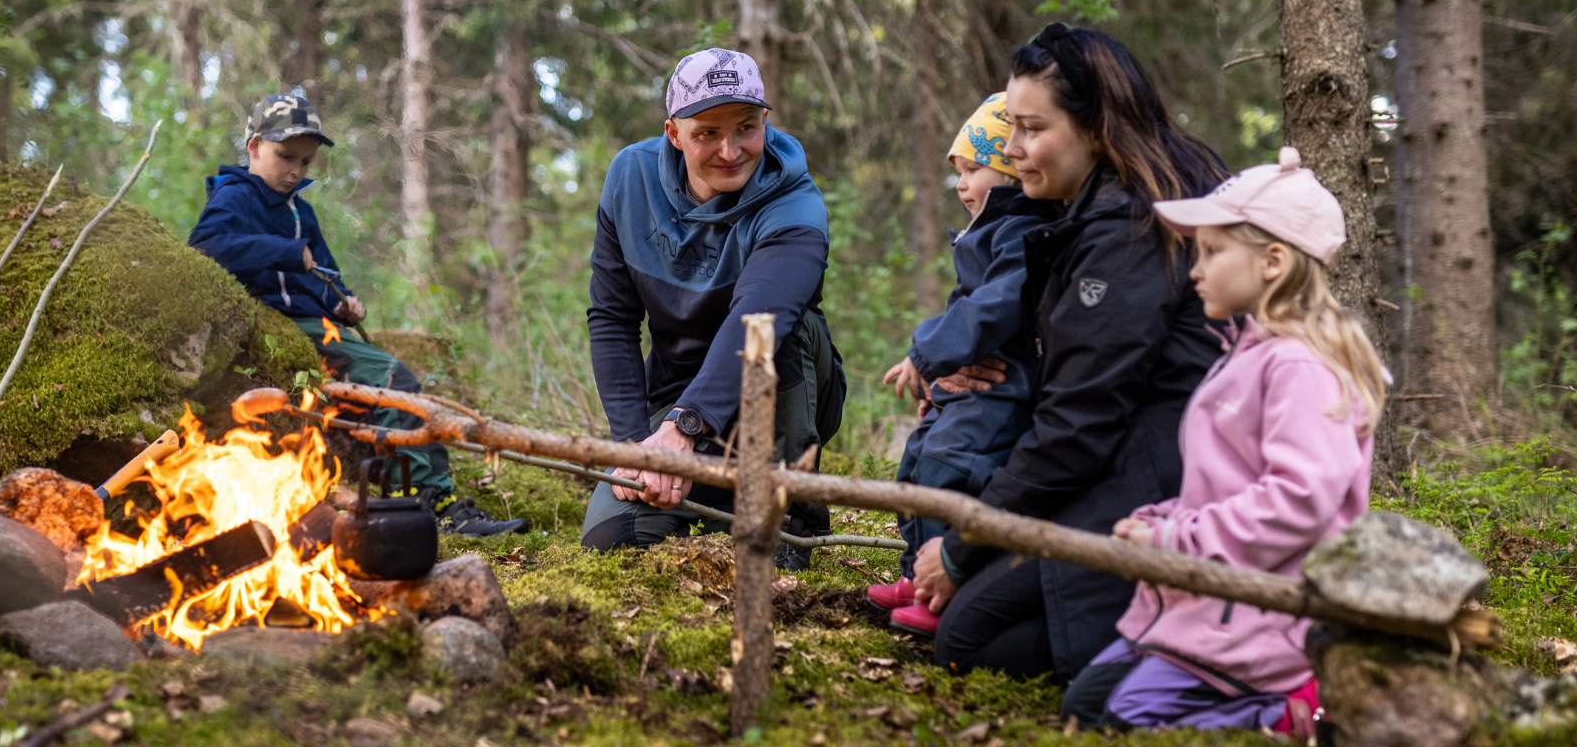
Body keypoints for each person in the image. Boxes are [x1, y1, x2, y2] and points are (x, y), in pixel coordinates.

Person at [907, 24, 1229, 682]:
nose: (1014, 148)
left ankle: (1207, 663)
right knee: (971, 621)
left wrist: (966, 544)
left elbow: (1082, 418)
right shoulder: (1101, 207)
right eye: (1011, 128)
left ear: (1095, 126)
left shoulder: (1131, 229)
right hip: (1126, 470)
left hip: (1161, 488)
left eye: (1031, 128)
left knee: (968, 642)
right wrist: (985, 365)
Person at [1057, 146, 1384, 736]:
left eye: (1212, 251)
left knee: (1118, 722)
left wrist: (1175, 537)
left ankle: (1299, 708)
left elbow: (1298, 500)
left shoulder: (1299, 367)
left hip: (1263, 618)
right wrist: (1159, 518)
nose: (1195, 270)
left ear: (1274, 262)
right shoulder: (1245, 350)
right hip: (1204, 607)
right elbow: (1228, 484)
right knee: (1084, 705)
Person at [188, 93, 529, 537]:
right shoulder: (236, 196)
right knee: (394, 382)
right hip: (278, 324)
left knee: (396, 385)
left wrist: (345, 303)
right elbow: (206, 246)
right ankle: (425, 502)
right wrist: (288, 252)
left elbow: (324, 272)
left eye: (305, 162)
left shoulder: (300, 210)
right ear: (253, 147)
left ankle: (425, 496)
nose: (295, 170)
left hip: (319, 325)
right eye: (285, 156)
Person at [581, 48, 844, 564]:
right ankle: (713, 495)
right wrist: (637, 448)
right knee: (612, 543)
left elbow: (756, 322)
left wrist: (684, 428)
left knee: (779, 331)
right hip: (677, 399)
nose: (730, 150)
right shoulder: (630, 178)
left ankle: (788, 505)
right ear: (674, 134)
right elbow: (612, 319)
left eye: (746, 128)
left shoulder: (796, 205)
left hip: (775, 396)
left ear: (766, 122)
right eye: (706, 133)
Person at [866, 93, 1054, 637]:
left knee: (951, 466)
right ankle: (916, 572)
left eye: (974, 169)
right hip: (964, 389)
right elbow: (962, 303)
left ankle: (949, 583)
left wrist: (926, 354)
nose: (962, 185)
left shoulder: (1021, 231)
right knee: (917, 460)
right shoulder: (986, 232)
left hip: (1004, 389)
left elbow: (990, 309)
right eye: (958, 172)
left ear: (1010, 171)